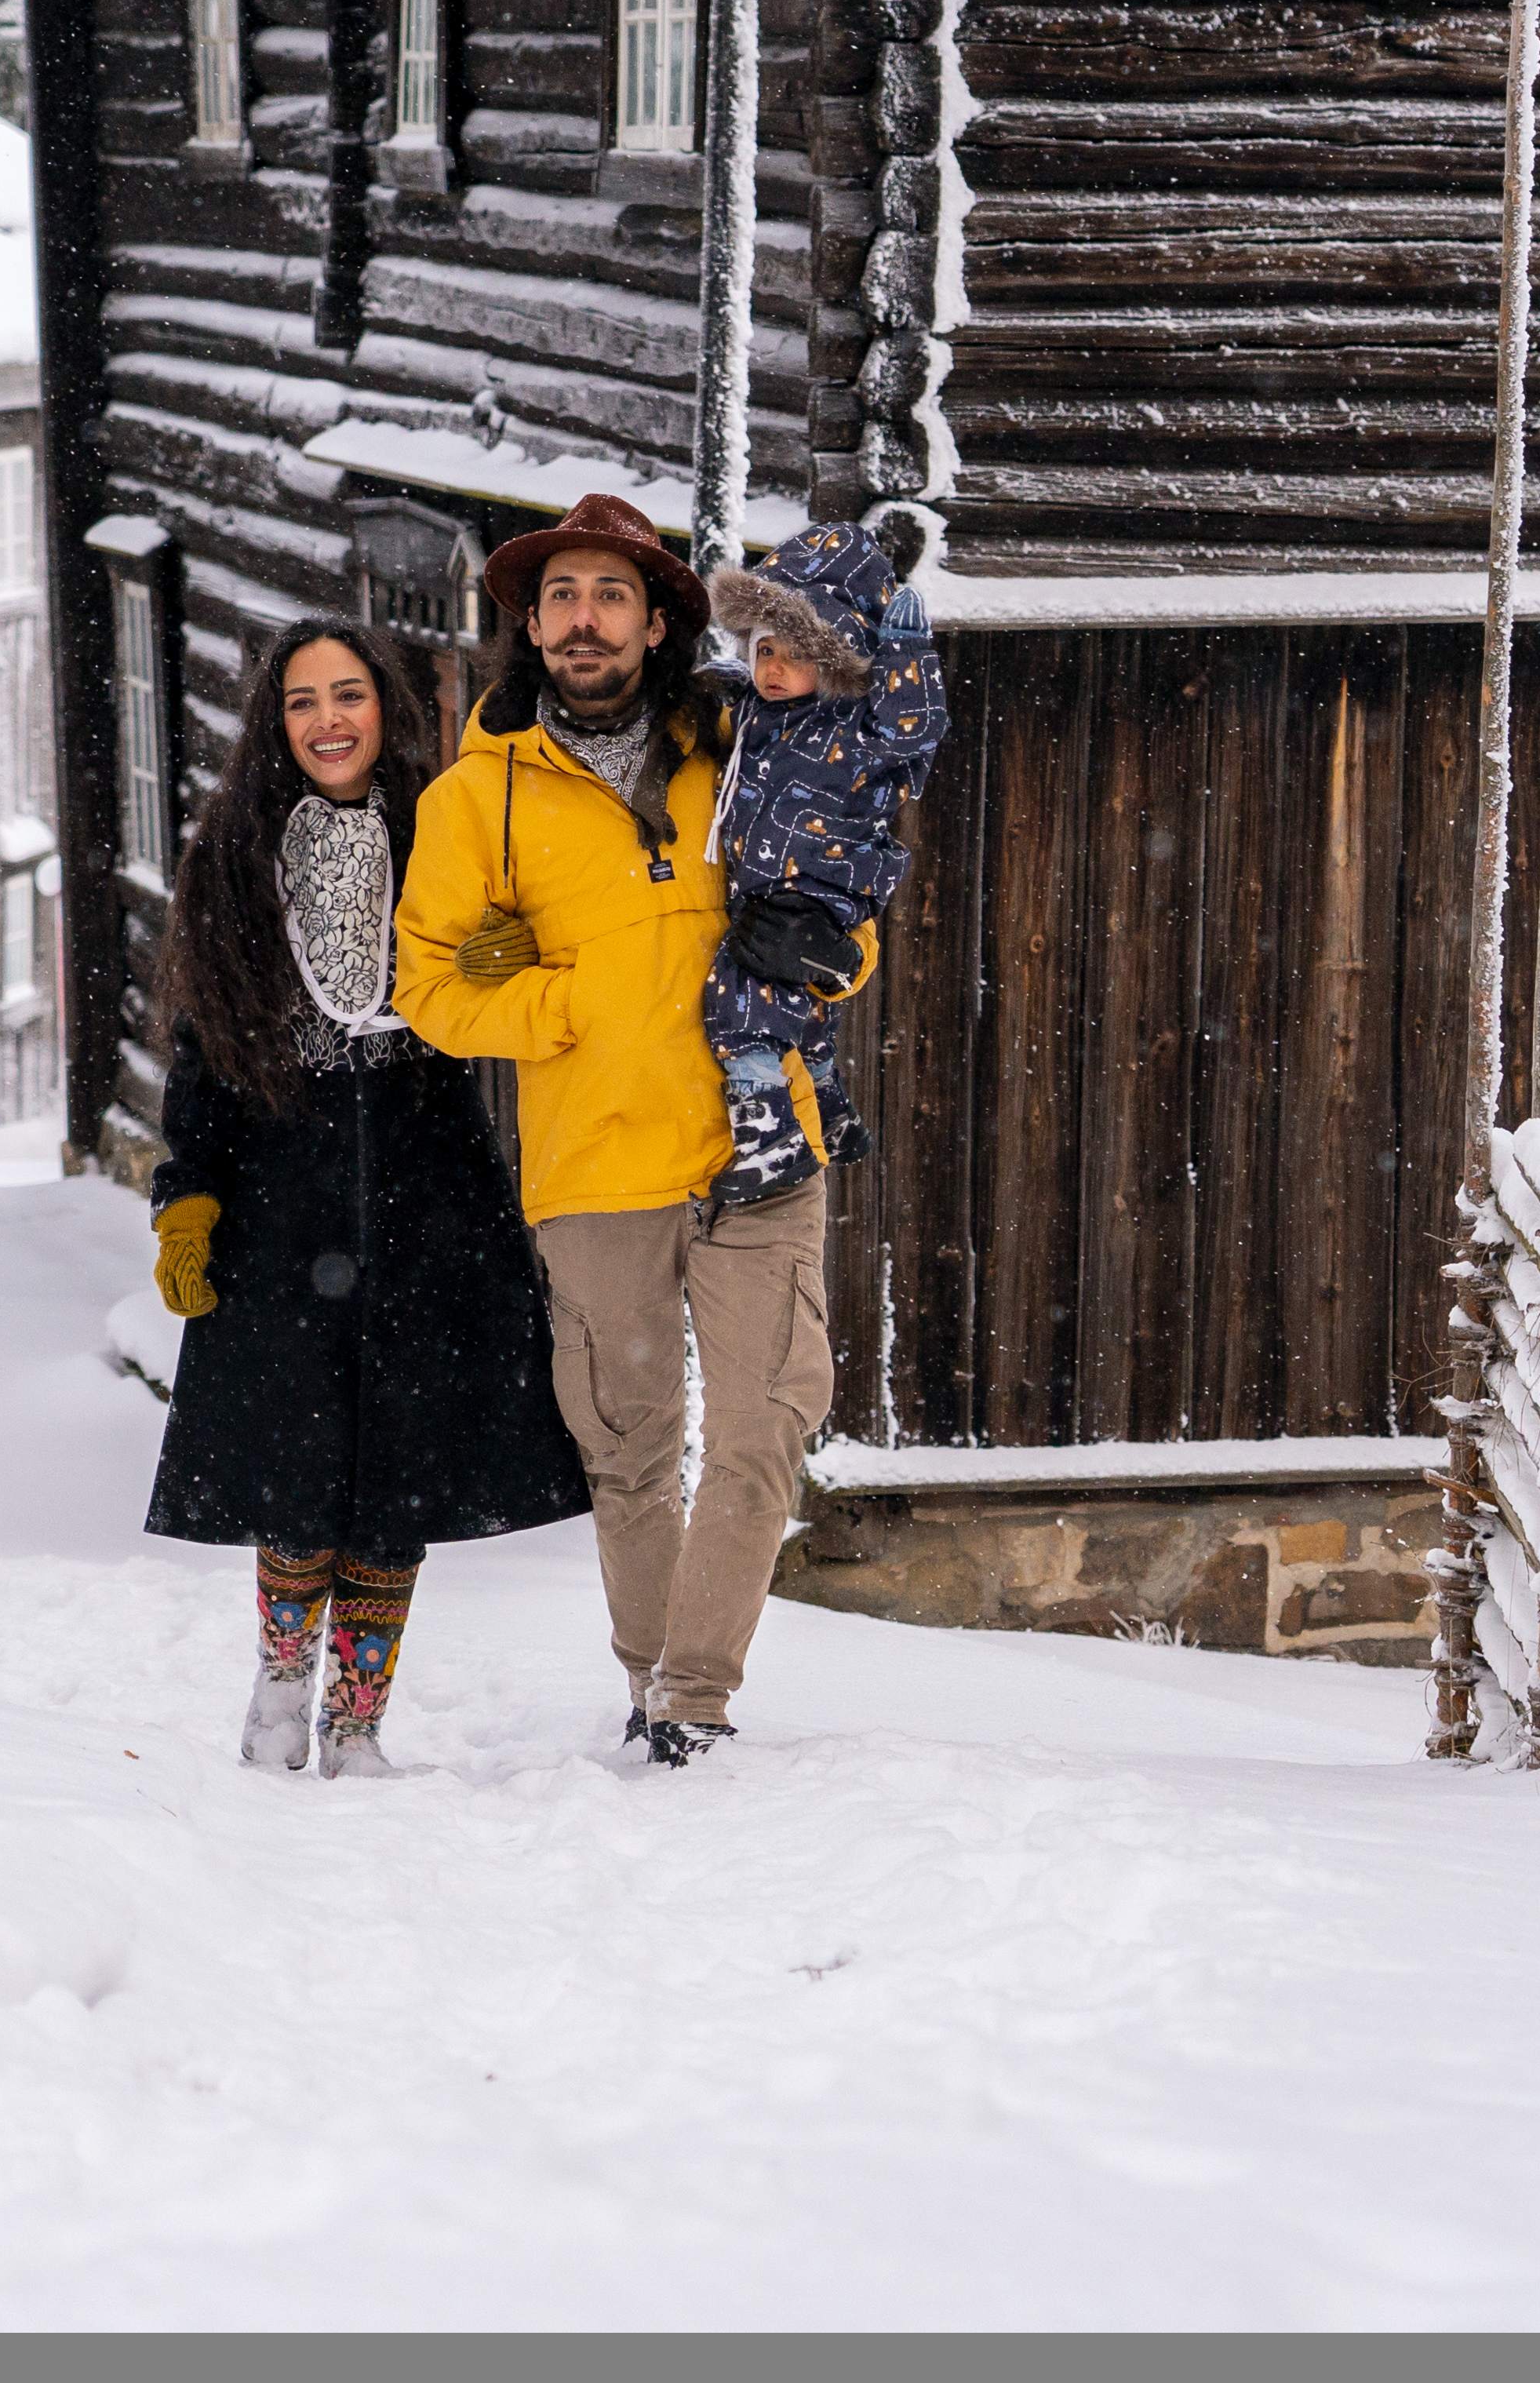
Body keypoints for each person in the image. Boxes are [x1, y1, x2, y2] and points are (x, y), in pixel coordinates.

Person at [391, 493, 876, 1768]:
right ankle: (654, 1679)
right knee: (629, 1443)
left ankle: (694, 1694)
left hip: (758, 1139)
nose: (584, 617)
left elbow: (844, 921)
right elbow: (429, 986)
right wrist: (565, 1001)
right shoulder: (476, 800)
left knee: (772, 1419)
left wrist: (820, 951)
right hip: (596, 1153)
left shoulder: (748, 754)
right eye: (561, 596)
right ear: (531, 625)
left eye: (611, 594)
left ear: (658, 621)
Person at [144, 621, 585, 1778]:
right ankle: (282, 1691)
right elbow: (206, 1054)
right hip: (280, 1202)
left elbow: (523, 957)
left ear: (384, 708)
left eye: (349, 695)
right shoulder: (236, 860)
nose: (329, 720)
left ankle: (356, 1723)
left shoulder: (443, 839)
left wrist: (503, 954)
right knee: (297, 1473)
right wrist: (185, 1198)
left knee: (401, 1473)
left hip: (430, 1197)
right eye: (302, 702)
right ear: (275, 725)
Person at [697, 521, 946, 1211]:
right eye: (763, 649)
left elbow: (915, 728)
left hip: (823, 886)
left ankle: (770, 1138)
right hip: (780, 885)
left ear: (836, 658)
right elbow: (721, 691)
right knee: (802, 1016)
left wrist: (906, 652)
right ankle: (830, 1113)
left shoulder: (858, 727)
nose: (772, 668)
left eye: (795, 654)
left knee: (737, 999)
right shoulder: (755, 712)